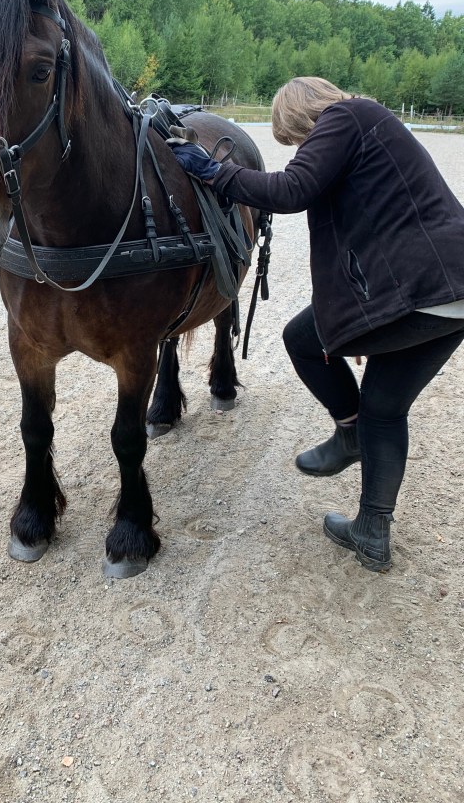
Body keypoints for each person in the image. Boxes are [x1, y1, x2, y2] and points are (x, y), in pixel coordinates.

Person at [178, 77, 464, 572]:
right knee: (385, 410)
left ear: (299, 115)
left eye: (294, 139)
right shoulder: (372, 129)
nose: (299, 148)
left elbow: (291, 190)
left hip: (418, 287)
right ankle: (372, 532)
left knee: (301, 340)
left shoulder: (346, 116)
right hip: (448, 294)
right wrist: (357, 320)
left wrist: (213, 171)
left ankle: (349, 432)